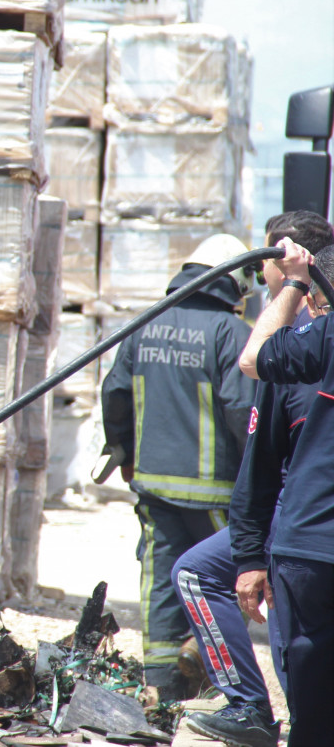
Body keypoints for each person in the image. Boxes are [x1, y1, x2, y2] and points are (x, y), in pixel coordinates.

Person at [174, 214, 333, 747]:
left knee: (303, 666)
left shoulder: (305, 349)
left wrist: (251, 556)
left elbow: (252, 365)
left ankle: (254, 710)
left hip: (301, 540)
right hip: (295, 535)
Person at [100, 233, 257, 700]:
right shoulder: (231, 334)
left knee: (160, 582)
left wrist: (122, 453)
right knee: (229, 583)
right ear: (233, 283)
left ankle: (160, 687)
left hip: (152, 484)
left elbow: (115, 394)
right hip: (216, 493)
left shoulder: (145, 325)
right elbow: (240, 411)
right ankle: (207, 666)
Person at [239, 237, 334, 745]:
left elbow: (253, 358)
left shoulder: (324, 335)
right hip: (310, 549)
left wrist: (295, 281)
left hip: (312, 549)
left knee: (314, 715)